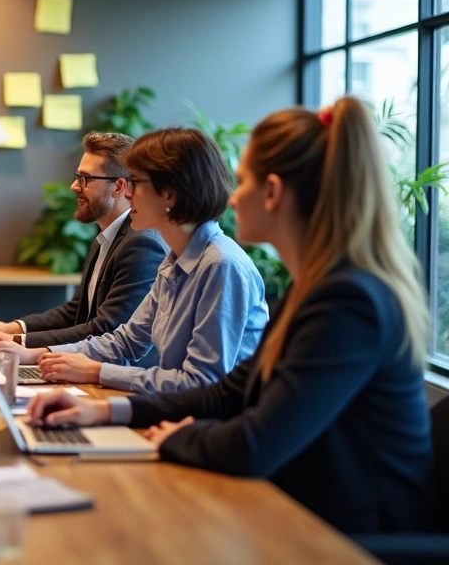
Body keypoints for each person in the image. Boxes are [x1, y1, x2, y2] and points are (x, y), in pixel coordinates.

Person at [26, 98, 437, 534]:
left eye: (243, 182)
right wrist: (104, 414)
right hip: (308, 510)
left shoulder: (347, 302)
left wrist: (172, 437)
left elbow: (255, 443)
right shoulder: (315, 287)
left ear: (274, 192)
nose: (232, 197)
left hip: (352, 539)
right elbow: (226, 393)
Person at [0, 127, 269, 393]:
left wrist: (96, 372)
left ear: (169, 195)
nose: (127, 193)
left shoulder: (221, 266)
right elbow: (125, 340)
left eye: (135, 183)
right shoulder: (174, 260)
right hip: (174, 410)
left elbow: (200, 383)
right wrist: (41, 355)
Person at [0, 132, 167, 350]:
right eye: (77, 176)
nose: (74, 186)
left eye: (86, 178)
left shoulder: (141, 245)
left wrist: (19, 342)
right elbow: (76, 311)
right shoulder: (104, 238)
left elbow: (106, 329)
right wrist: (13, 328)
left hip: (121, 378)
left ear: (118, 187)